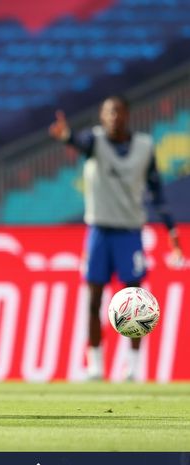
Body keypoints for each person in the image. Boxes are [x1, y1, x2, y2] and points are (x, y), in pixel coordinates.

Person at [49, 95, 184, 381]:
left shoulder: (145, 147)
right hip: (98, 231)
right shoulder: (95, 143)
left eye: (117, 112)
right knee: (93, 299)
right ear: (101, 116)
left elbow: (157, 192)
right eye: (108, 112)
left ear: (127, 115)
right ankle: (95, 365)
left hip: (129, 232)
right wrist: (67, 137)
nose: (113, 117)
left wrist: (171, 232)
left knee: (135, 301)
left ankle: (133, 367)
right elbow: (79, 142)